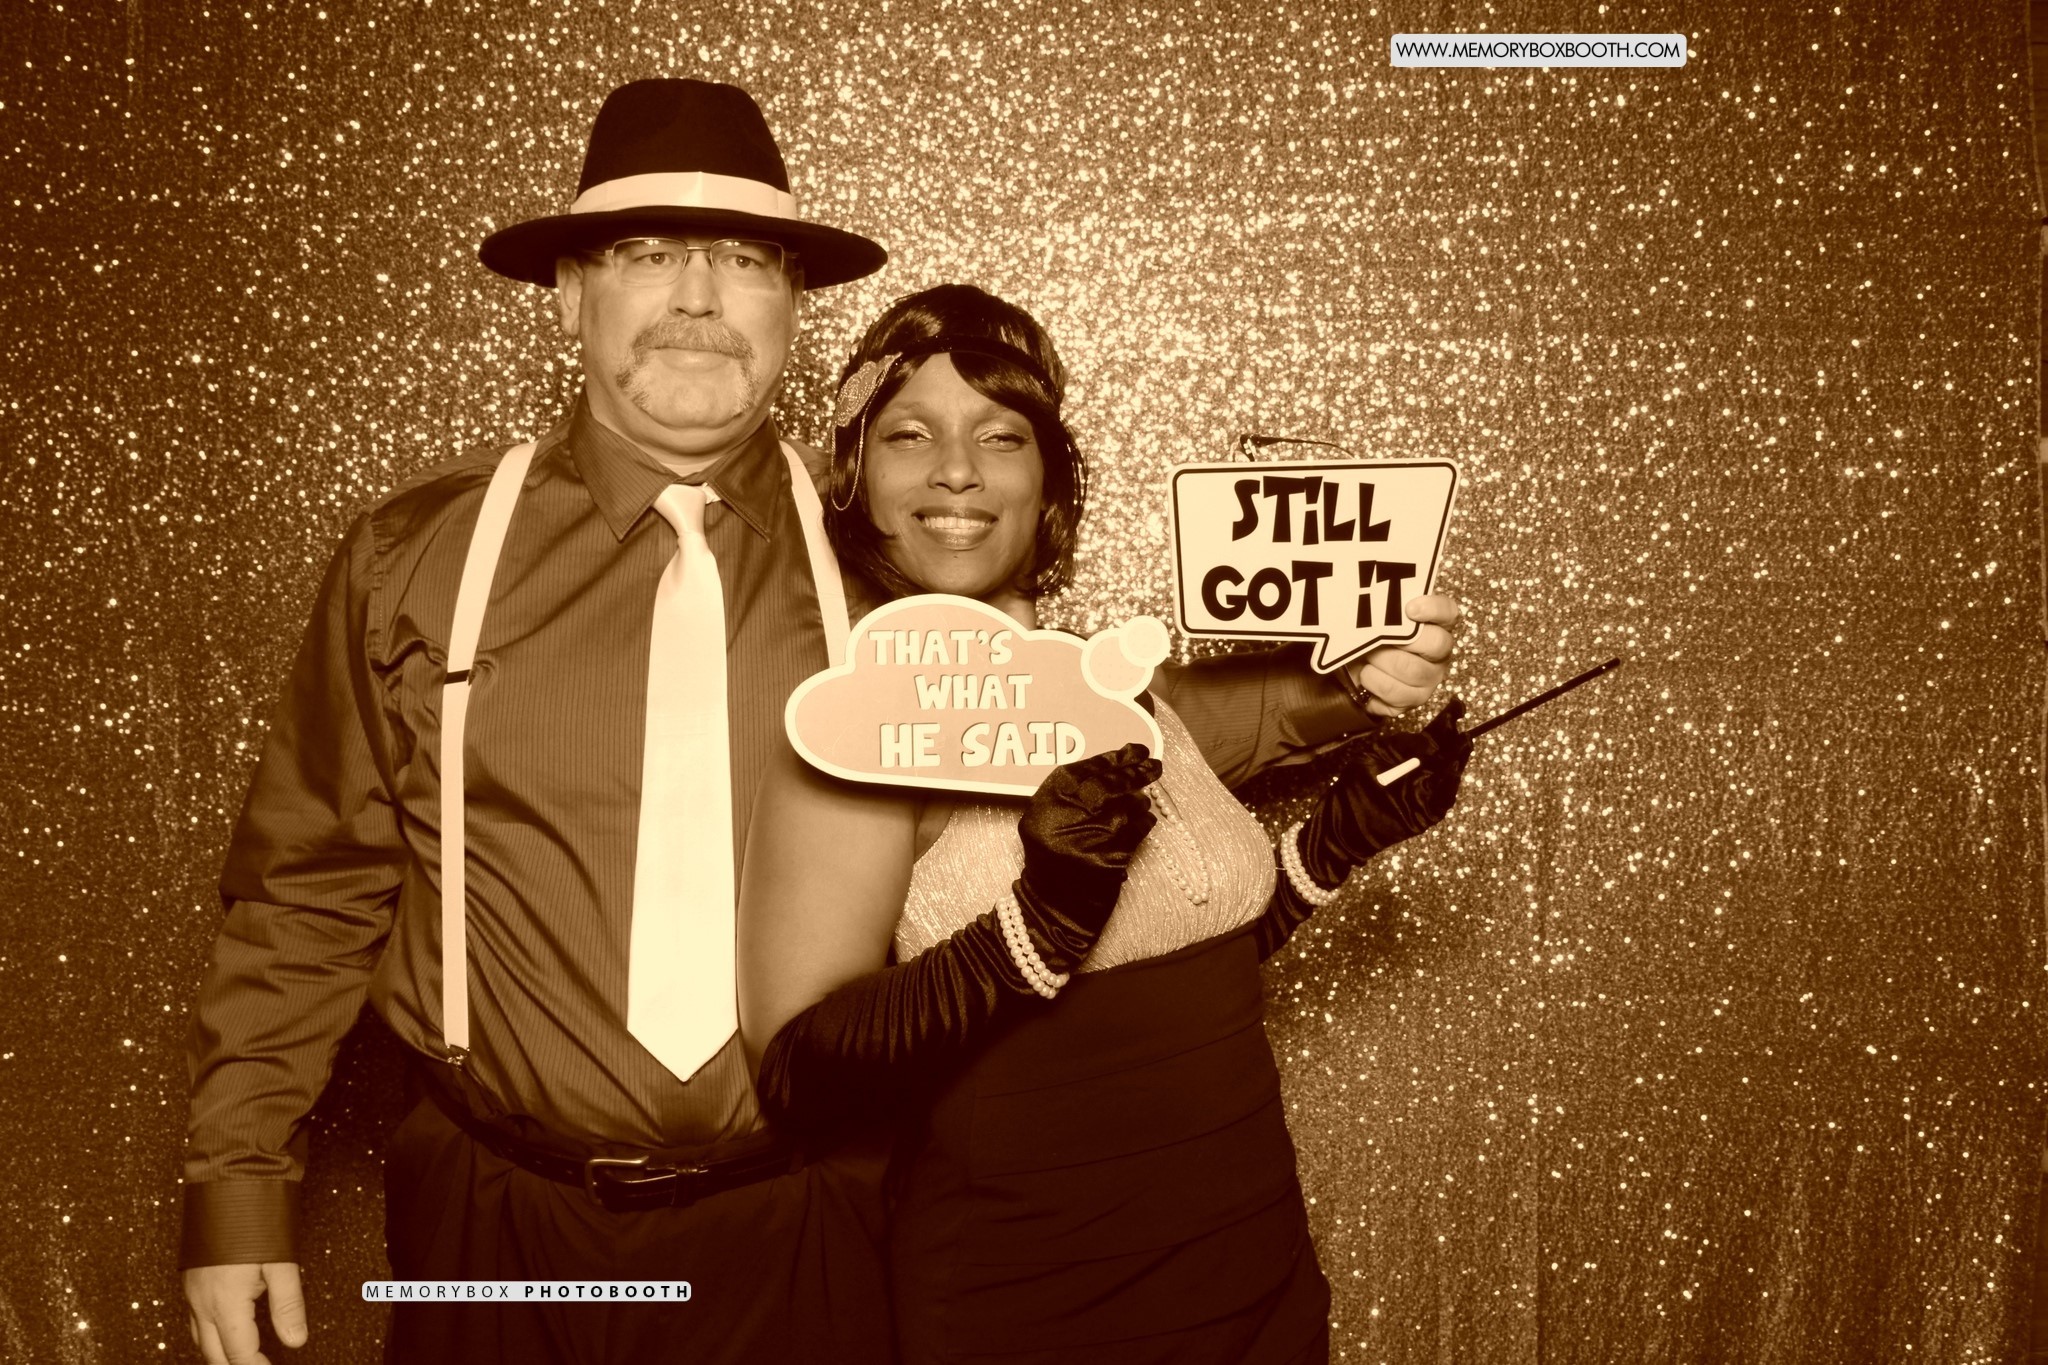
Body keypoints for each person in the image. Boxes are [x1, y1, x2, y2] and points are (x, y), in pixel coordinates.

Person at [177, 81, 1455, 1365]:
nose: (696, 298)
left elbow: (1101, 722)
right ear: (567, 294)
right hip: (491, 1219)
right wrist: (237, 1188)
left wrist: (1349, 692)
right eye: (646, 254)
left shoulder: (889, 566)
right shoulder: (417, 559)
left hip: (805, 1216)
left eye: (742, 261)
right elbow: (309, 889)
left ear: (791, 304)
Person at [738, 285, 1471, 1365]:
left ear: (1049, 482)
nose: (956, 471)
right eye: (909, 436)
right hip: (1042, 1299)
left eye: (1001, 437)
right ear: (854, 476)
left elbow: (1172, 974)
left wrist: (1334, 844)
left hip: (1253, 1273)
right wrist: (1037, 924)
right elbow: (800, 1075)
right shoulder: (858, 727)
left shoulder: (1110, 682)